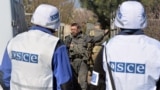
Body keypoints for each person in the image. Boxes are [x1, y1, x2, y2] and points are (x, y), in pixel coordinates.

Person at [0, 4, 73, 90]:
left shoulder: (14, 41)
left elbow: (4, 76)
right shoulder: (56, 45)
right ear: (55, 22)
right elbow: (65, 83)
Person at [90, 1, 160, 90]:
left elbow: (96, 85)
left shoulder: (107, 48)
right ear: (143, 18)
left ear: (119, 18)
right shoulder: (156, 48)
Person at [64, 23, 104, 90]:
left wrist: (103, 34)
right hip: (72, 62)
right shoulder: (68, 38)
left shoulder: (84, 37)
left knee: (83, 82)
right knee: (72, 81)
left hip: (82, 62)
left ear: (79, 30)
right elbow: (64, 48)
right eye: (71, 29)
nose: (72, 31)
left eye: (74, 29)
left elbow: (94, 39)